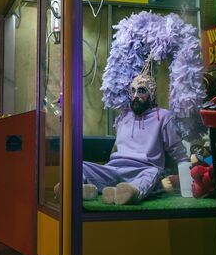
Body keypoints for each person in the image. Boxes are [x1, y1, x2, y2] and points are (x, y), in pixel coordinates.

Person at [80, 57, 189, 205]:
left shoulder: (164, 117)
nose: (136, 95)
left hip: (144, 171)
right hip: (114, 169)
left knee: (153, 173)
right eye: (133, 91)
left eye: (141, 91)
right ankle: (85, 189)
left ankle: (131, 192)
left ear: (151, 94)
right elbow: (115, 149)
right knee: (81, 166)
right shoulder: (123, 117)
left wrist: (186, 176)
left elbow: (178, 151)